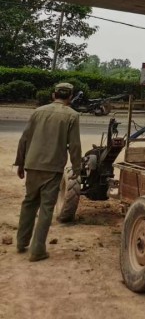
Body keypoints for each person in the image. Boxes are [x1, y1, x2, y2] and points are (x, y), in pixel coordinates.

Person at [14, 82, 82, 262]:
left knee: (29, 202)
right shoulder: (72, 116)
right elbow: (74, 145)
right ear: (70, 97)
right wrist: (77, 168)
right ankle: (37, 251)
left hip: (32, 164)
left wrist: (20, 164)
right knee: (46, 208)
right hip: (52, 168)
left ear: (54, 95)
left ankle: (21, 242)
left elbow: (24, 139)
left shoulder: (38, 111)